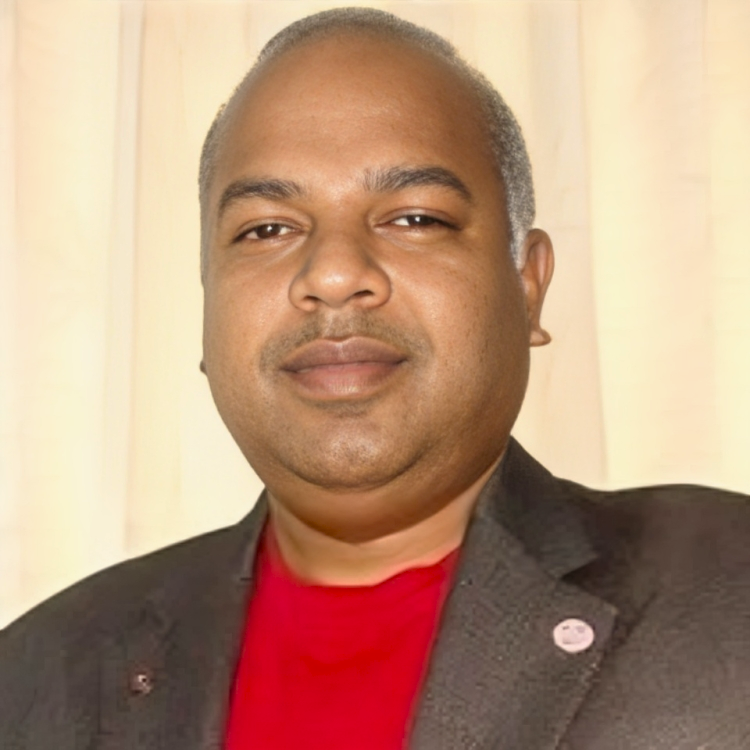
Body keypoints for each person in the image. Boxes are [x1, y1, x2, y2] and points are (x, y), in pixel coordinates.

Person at [2, 7, 750, 749]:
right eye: (266, 229)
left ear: (528, 286)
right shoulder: (38, 677)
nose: (331, 275)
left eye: (414, 218)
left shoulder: (725, 589)